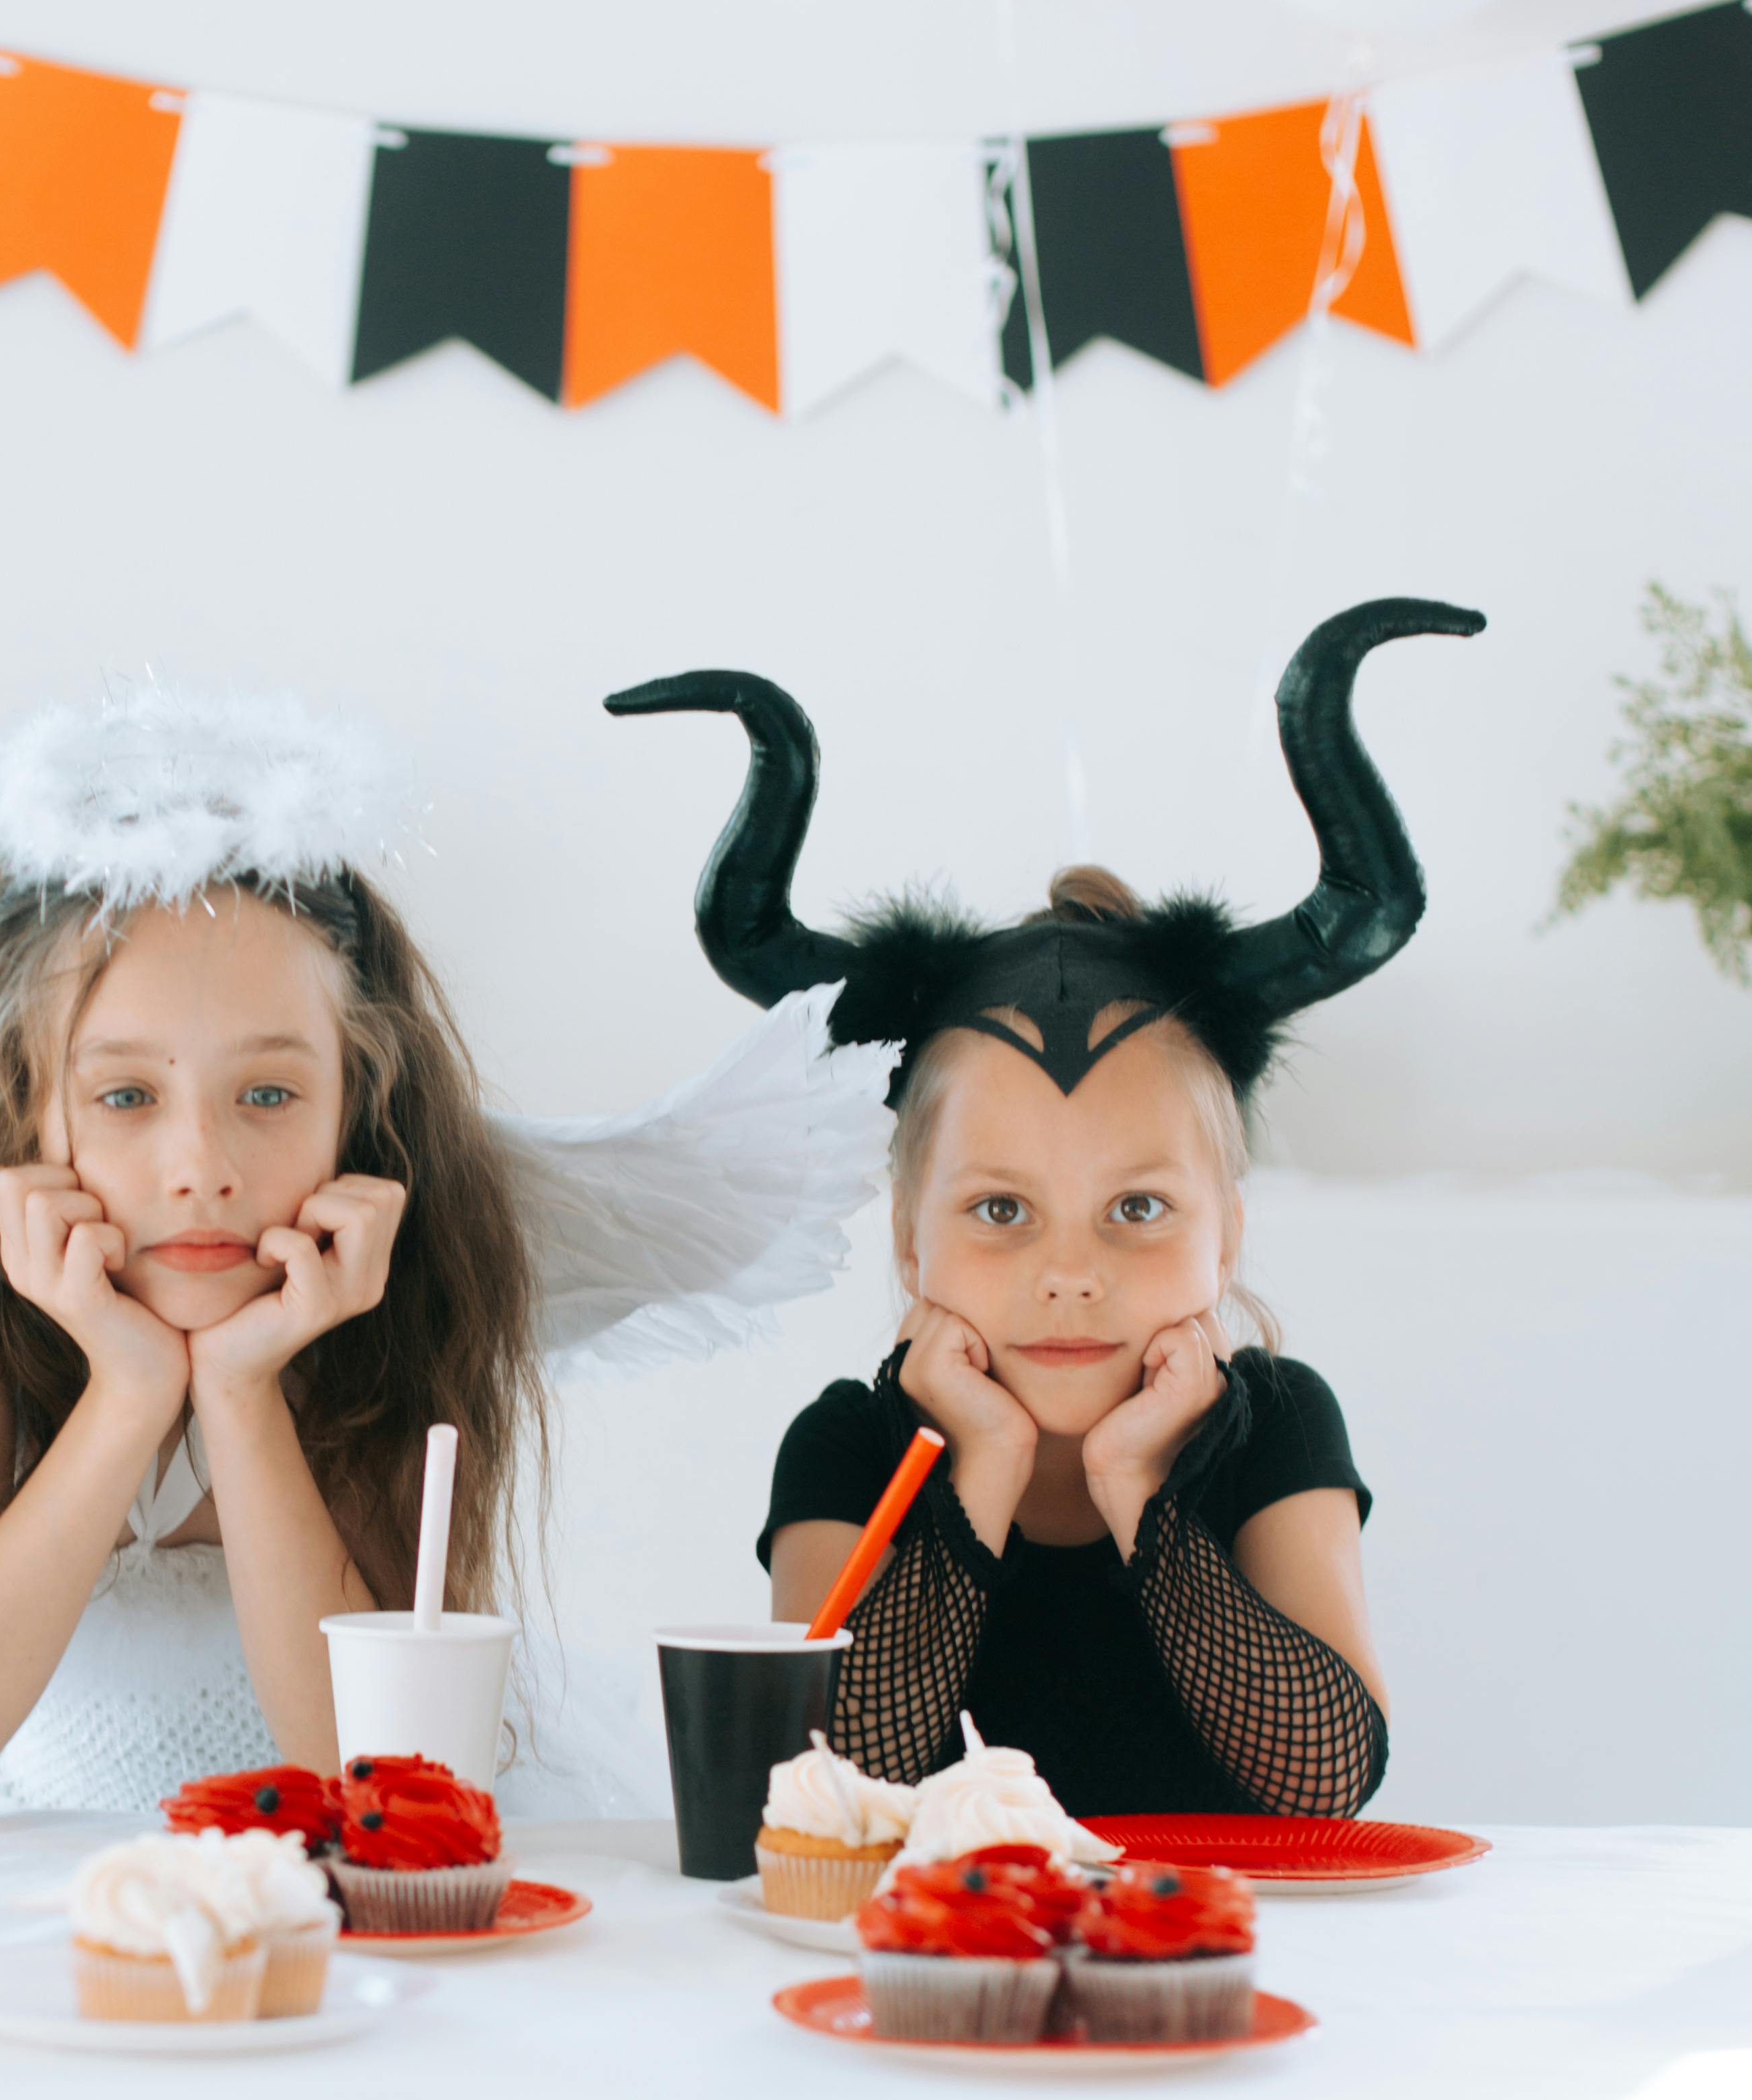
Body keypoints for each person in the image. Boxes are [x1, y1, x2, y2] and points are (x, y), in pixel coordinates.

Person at [0, 676, 895, 1817]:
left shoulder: (405, 1329)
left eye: (270, 1095)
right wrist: (129, 1392)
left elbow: (376, 1780)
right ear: (21, 1117)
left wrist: (241, 1392)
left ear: (364, 1112)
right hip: (69, 1895)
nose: (202, 1167)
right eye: (124, 1097)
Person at [600, 598, 1485, 1816]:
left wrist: (1136, 1482)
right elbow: (830, 1782)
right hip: (940, 1973)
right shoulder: (851, 1449)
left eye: (1138, 1209)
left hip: (1203, 1965)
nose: (1072, 1273)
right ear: (911, 1238)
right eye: (1002, 1212)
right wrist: (985, 1466)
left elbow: (1324, 1777)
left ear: (1228, 1229)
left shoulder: (1271, 1425)